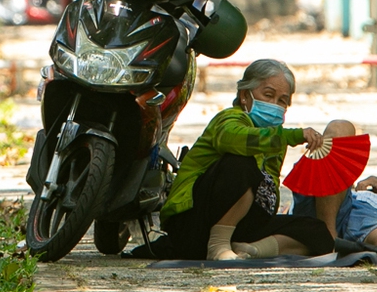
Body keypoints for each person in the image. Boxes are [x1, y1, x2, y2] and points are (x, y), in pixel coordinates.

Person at [127, 58, 352, 261]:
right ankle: (218, 246)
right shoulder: (230, 119)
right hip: (195, 225)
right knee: (242, 163)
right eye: (268, 95)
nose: (275, 104)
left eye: (282, 101)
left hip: (242, 227)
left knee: (318, 232)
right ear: (245, 95)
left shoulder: (275, 140)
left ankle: (250, 250)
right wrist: (290, 136)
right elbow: (235, 140)